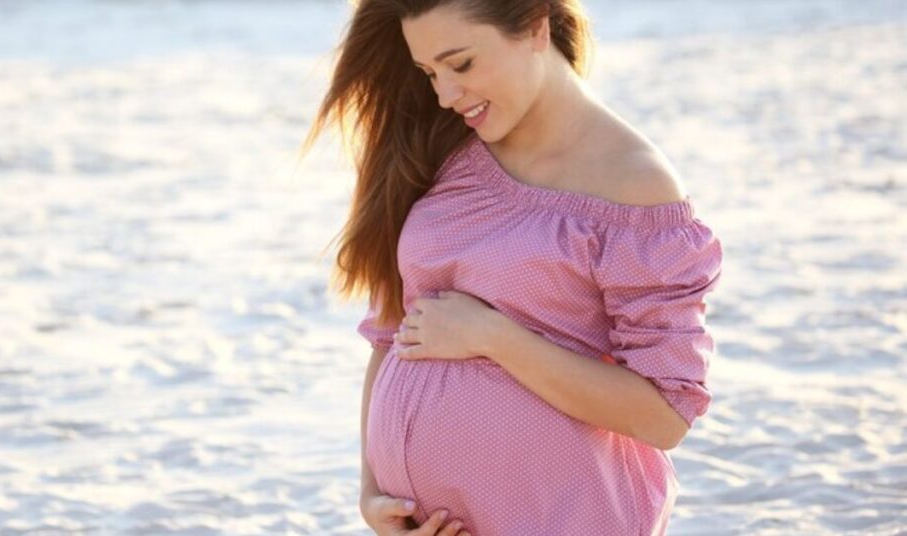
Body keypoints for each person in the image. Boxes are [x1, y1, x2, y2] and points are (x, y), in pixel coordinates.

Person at [301, 1, 725, 534]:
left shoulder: (633, 187)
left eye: (462, 64)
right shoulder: (438, 150)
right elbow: (391, 336)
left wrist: (494, 337)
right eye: (429, 72)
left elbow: (664, 415)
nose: (445, 95)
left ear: (534, 27)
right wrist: (374, 495)